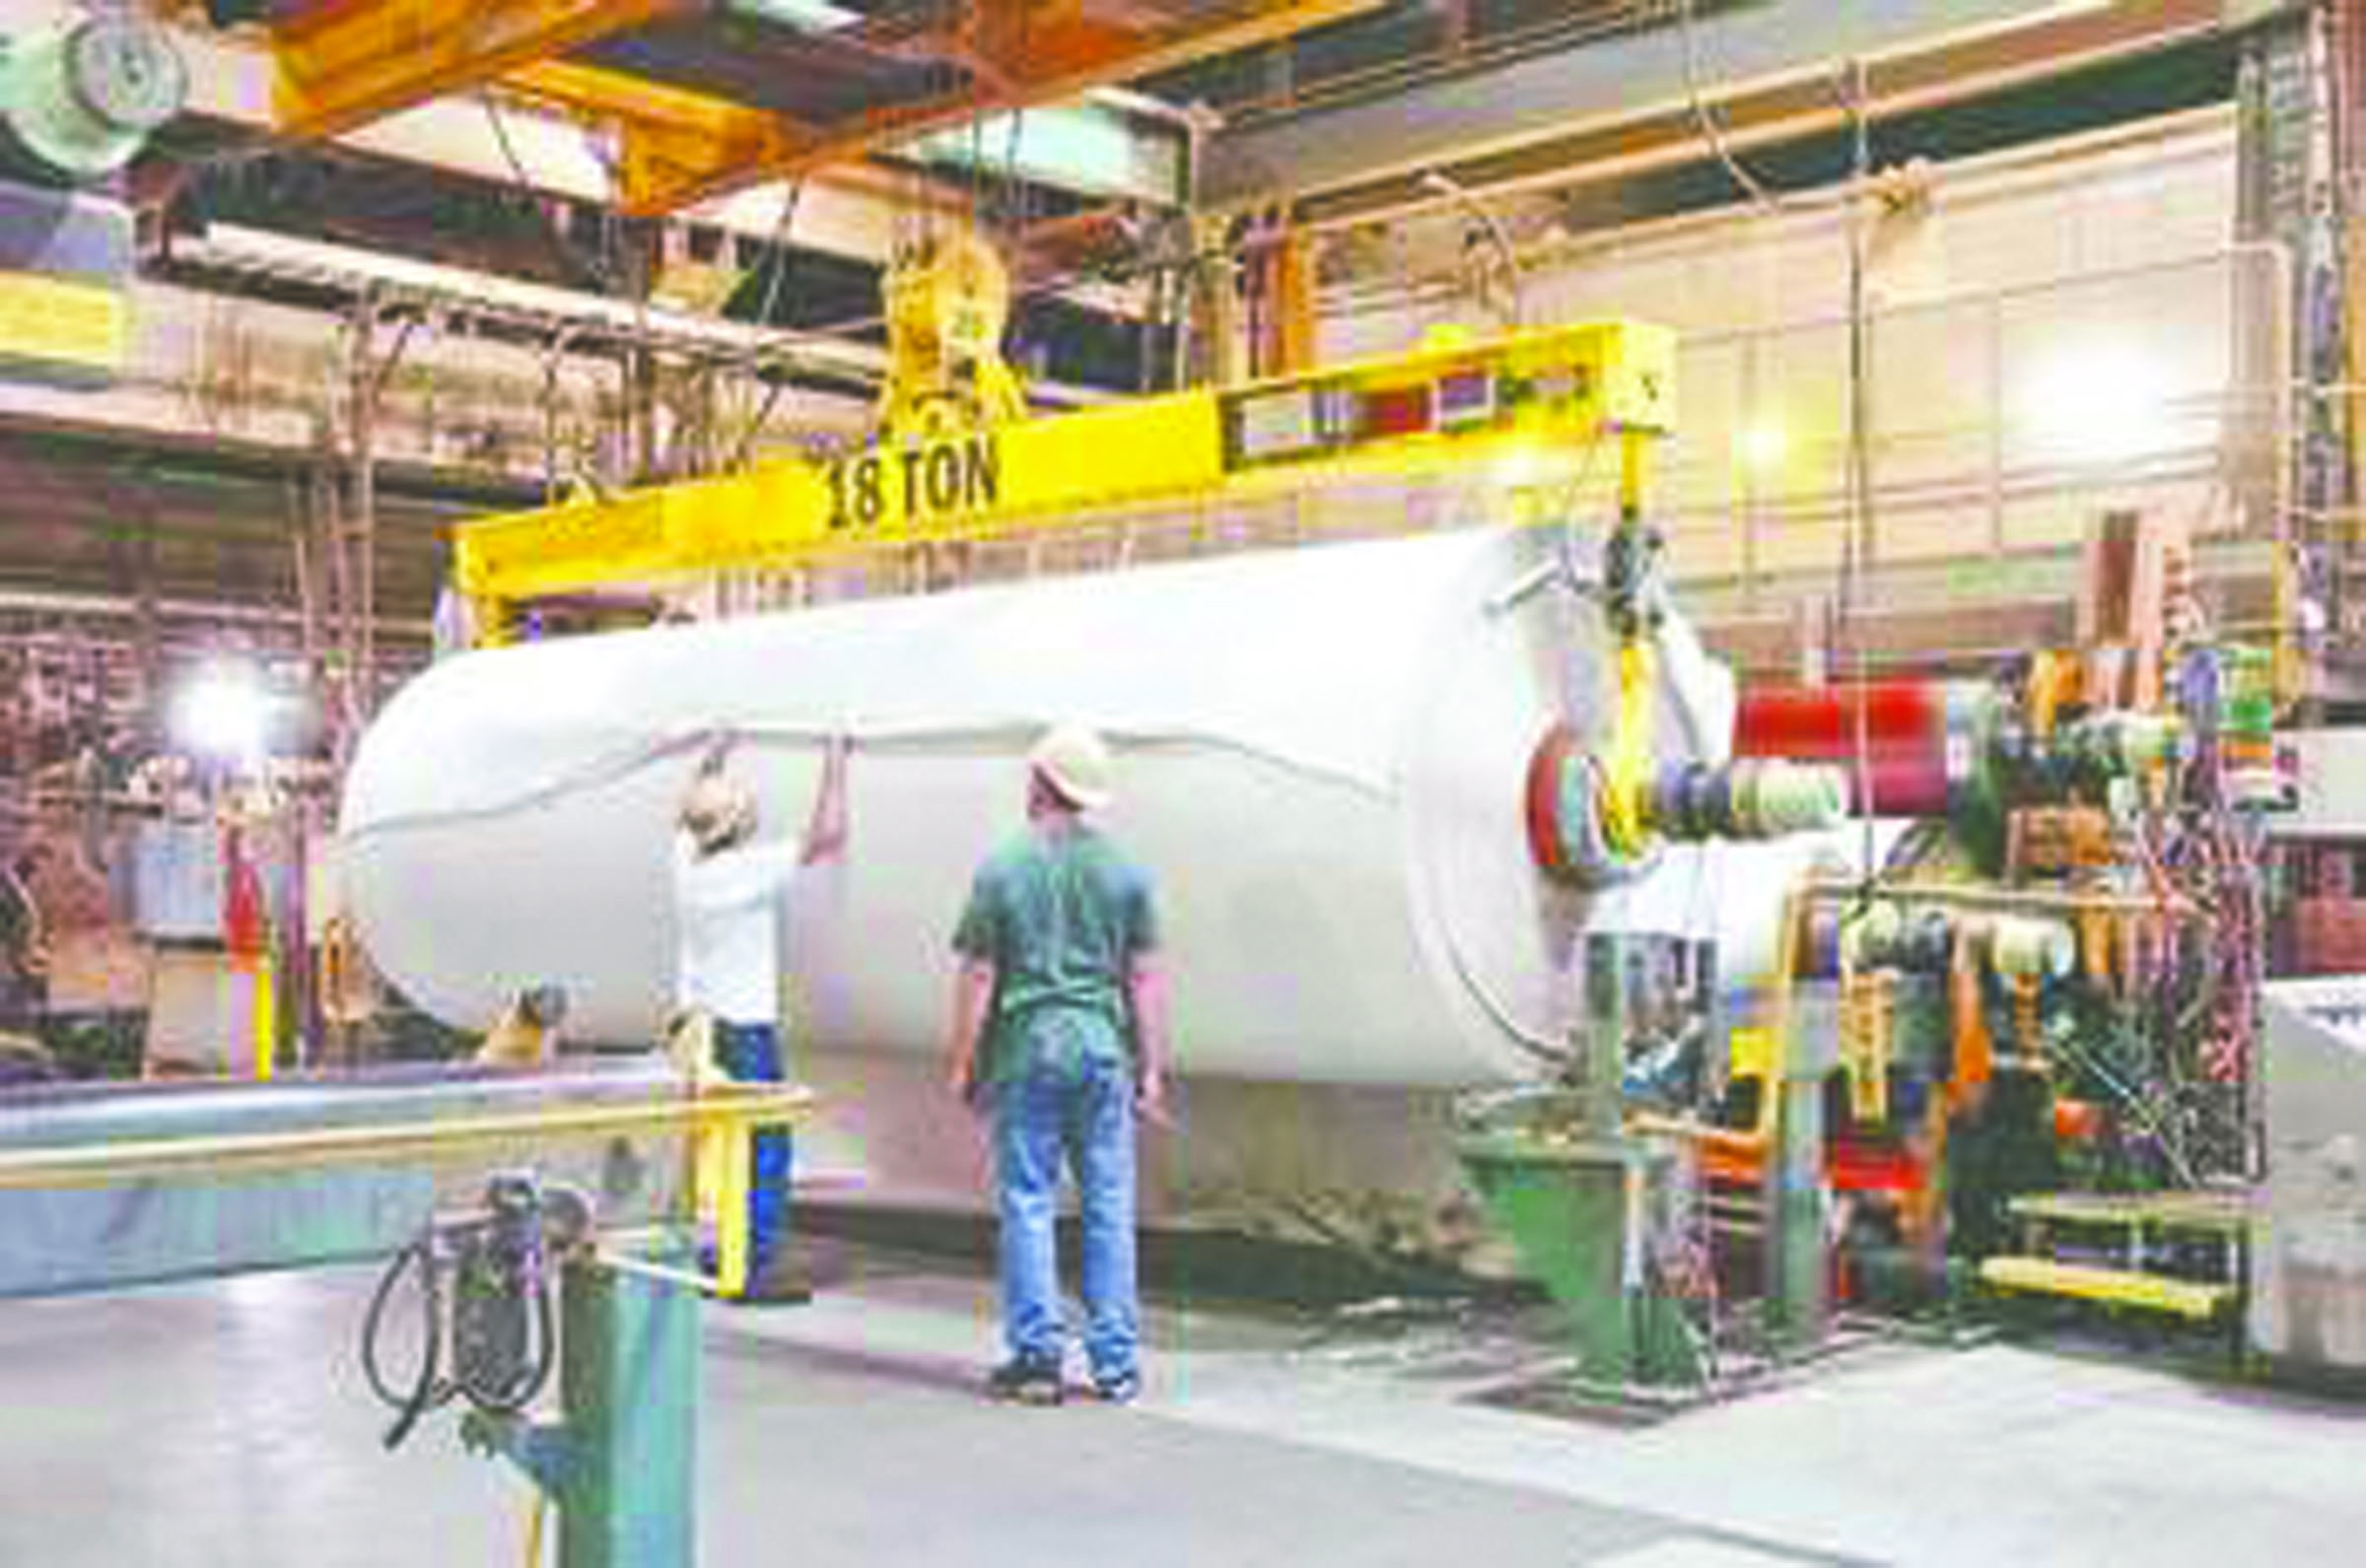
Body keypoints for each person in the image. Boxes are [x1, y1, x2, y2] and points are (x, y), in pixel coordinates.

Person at [946, 723, 1170, 1406]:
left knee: (1029, 1201)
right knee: (1108, 1205)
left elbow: (980, 974)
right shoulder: (1125, 872)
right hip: (1103, 1051)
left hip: (1028, 1049)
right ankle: (1117, 1364)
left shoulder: (1001, 867)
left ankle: (1038, 1358)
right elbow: (1143, 978)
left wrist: (963, 1060)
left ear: (1040, 782)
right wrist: (1151, 1066)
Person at [675, 731, 850, 1303]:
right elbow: (828, 838)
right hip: (746, 1028)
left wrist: (717, 752)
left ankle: (727, 1246)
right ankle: (750, 1265)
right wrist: (834, 760)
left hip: (703, 1026)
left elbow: (686, 813)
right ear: (737, 825)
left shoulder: (685, 865)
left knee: (727, 1143)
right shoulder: (744, 875)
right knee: (764, 1143)